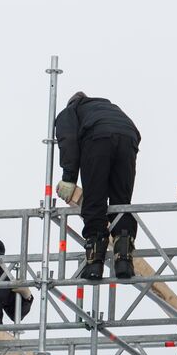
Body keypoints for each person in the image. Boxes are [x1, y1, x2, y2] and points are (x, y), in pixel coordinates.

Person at [54, 92, 142, 283]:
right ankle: (124, 259)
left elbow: (68, 141)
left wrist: (68, 178)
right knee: (121, 202)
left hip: (98, 139)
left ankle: (94, 263)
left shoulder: (71, 111)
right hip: (129, 138)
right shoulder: (111, 108)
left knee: (95, 200)